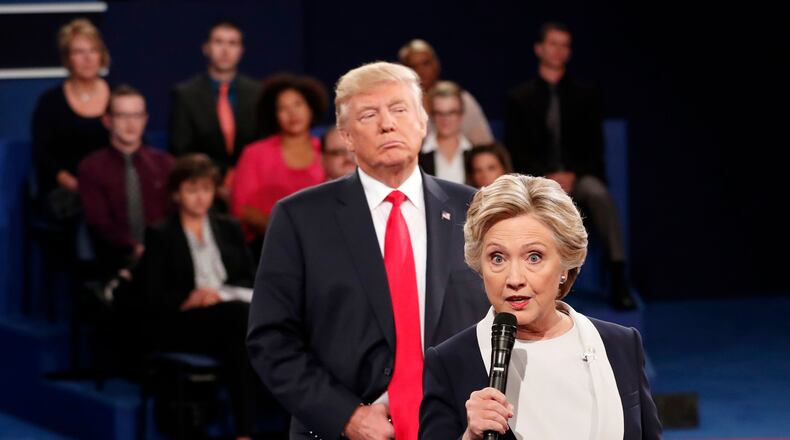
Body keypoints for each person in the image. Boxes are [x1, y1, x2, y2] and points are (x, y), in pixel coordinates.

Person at [246, 62, 489, 440]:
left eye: (399, 109)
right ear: (345, 135)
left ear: (422, 123)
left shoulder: (474, 209)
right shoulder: (299, 217)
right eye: (369, 114)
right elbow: (272, 341)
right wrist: (346, 417)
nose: (387, 124)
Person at [419, 174, 662, 440]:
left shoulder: (621, 345)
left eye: (534, 257)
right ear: (480, 267)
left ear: (565, 264)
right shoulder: (450, 362)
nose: (514, 279)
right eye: (497, 258)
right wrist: (470, 437)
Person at [505, 22, 635, 309]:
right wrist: (547, 177)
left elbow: (594, 148)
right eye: (553, 43)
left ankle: (618, 275)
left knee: (599, 194)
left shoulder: (586, 96)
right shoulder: (519, 98)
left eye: (565, 44)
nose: (558, 50)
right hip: (536, 180)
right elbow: (516, 151)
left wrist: (573, 174)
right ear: (539, 49)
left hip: (580, 176)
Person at [135, 153, 257, 439]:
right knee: (241, 323)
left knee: (239, 336)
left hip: (228, 315)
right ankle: (246, 431)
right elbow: (150, 296)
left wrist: (219, 294)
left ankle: (246, 432)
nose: (200, 198)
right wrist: (189, 298)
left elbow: (250, 278)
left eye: (206, 189)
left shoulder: (229, 228)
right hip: (182, 320)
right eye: (192, 190)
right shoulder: (161, 234)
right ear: (177, 194)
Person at [78, 85, 174, 277]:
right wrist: (133, 248)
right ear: (107, 120)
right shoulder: (91, 167)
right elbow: (99, 223)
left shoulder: (166, 164)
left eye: (137, 115)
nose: (131, 123)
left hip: (165, 259)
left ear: (145, 119)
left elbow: (174, 215)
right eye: (122, 116)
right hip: (114, 261)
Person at [170, 20, 261, 204]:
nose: (225, 50)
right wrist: (219, 181)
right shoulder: (185, 94)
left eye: (232, 43)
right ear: (206, 48)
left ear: (241, 50)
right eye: (218, 42)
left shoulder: (258, 93)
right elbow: (181, 150)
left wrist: (241, 180)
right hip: (204, 190)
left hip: (252, 188)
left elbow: (263, 146)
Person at [230, 73, 327, 243]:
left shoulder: (326, 150)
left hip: (322, 241)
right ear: (274, 115)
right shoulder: (255, 153)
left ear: (310, 107)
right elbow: (242, 209)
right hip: (268, 244)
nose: (292, 113)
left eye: (298, 104)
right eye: (283, 108)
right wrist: (286, 232)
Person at [32, 18, 110, 220]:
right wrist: (72, 183)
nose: (87, 58)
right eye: (78, 52)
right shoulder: (51, 102)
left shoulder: (118, 98)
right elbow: (43, 154)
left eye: (93, 50)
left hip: (112, 190)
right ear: (68, 58)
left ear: (101, 55)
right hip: (67, 192)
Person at [399, 39, 494, 145]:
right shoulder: (400, 106)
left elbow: (485, 145)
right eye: (413, 66)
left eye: (425, 63)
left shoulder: (461, 99)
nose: (421, 71)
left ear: (436, 65)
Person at [419, 81, 472, 185]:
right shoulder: (418, 157)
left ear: (461, 115)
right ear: (432, 115)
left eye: (451, 112)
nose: (445, 119)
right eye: (439, 113)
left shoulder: (475, 154)